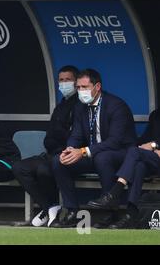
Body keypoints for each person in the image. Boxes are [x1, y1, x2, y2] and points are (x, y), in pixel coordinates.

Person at [51, 68, 137, 228]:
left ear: (97, 87)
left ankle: (111, 213)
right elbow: (76, 134)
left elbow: (114, 142)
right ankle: (72, 211)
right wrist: (70, 149)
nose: (80, 91)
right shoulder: (79, 107)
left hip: (122, 154)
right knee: (59, 161)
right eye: (78, 87)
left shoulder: (116, 106)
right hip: (93, 153)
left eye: (85, 87)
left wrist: (83, 151)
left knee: (103, 157)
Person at [12, 65, 79, 227]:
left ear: (76, 82)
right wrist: (58, 136)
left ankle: (55, 210)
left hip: (70, 155)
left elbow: (73, 137)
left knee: (44, 170)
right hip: (51, 153)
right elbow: (49, 138)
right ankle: (48, 207)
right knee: (19, 167)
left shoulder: (80, 106)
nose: (64, 83)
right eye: (61, 80)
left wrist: (60, 136)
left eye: (68, 80)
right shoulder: (60, 106)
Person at [87, 109, 160, 229]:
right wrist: (145, 146)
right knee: (138, 166)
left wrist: (154, 145)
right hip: (154, 159)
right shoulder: (156, 115)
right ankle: (131, 215)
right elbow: (144, 139)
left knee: (134, 152)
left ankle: (115, 192)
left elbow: (152, 144)